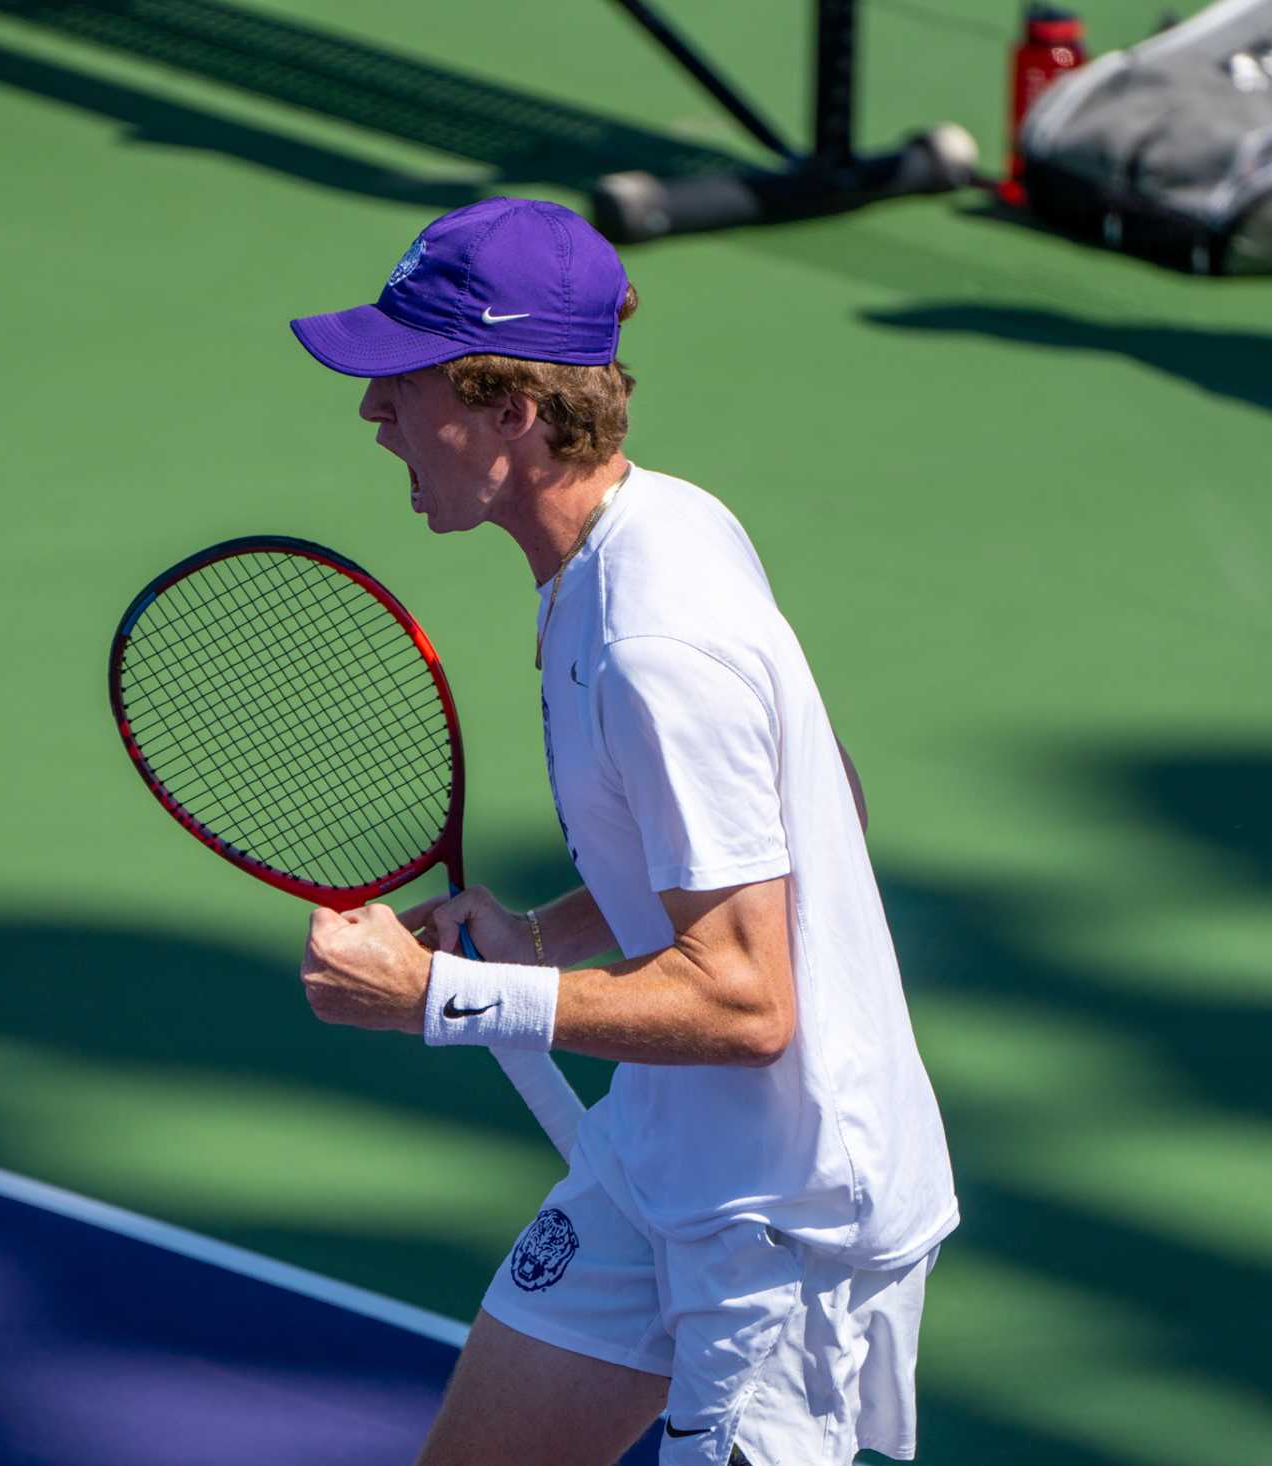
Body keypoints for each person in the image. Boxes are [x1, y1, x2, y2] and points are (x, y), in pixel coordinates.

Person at [287, 197, 957, 1466]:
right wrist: (536, 936)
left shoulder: (656, 640)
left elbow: (751, 1002)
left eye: (402, 381)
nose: (375, 411)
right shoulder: (647, 531)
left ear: (509, 410)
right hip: (664, 1150)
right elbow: (817, 813)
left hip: (781, 1217)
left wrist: (448, 994)